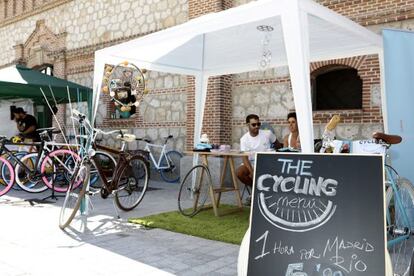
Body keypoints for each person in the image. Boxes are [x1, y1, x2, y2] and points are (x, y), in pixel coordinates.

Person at [237, 114, 279, 204]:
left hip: (266, 162)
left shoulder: (267, 134)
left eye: (258, 124)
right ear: (247, 125)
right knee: (240, 172)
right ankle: (256, 189)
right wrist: (252, 172)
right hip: (251, 162)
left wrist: (274, 153)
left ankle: (259, 192)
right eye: (254, 124)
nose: (257, 126)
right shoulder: (244, 139)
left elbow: (278, 144)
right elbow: (244, 158)